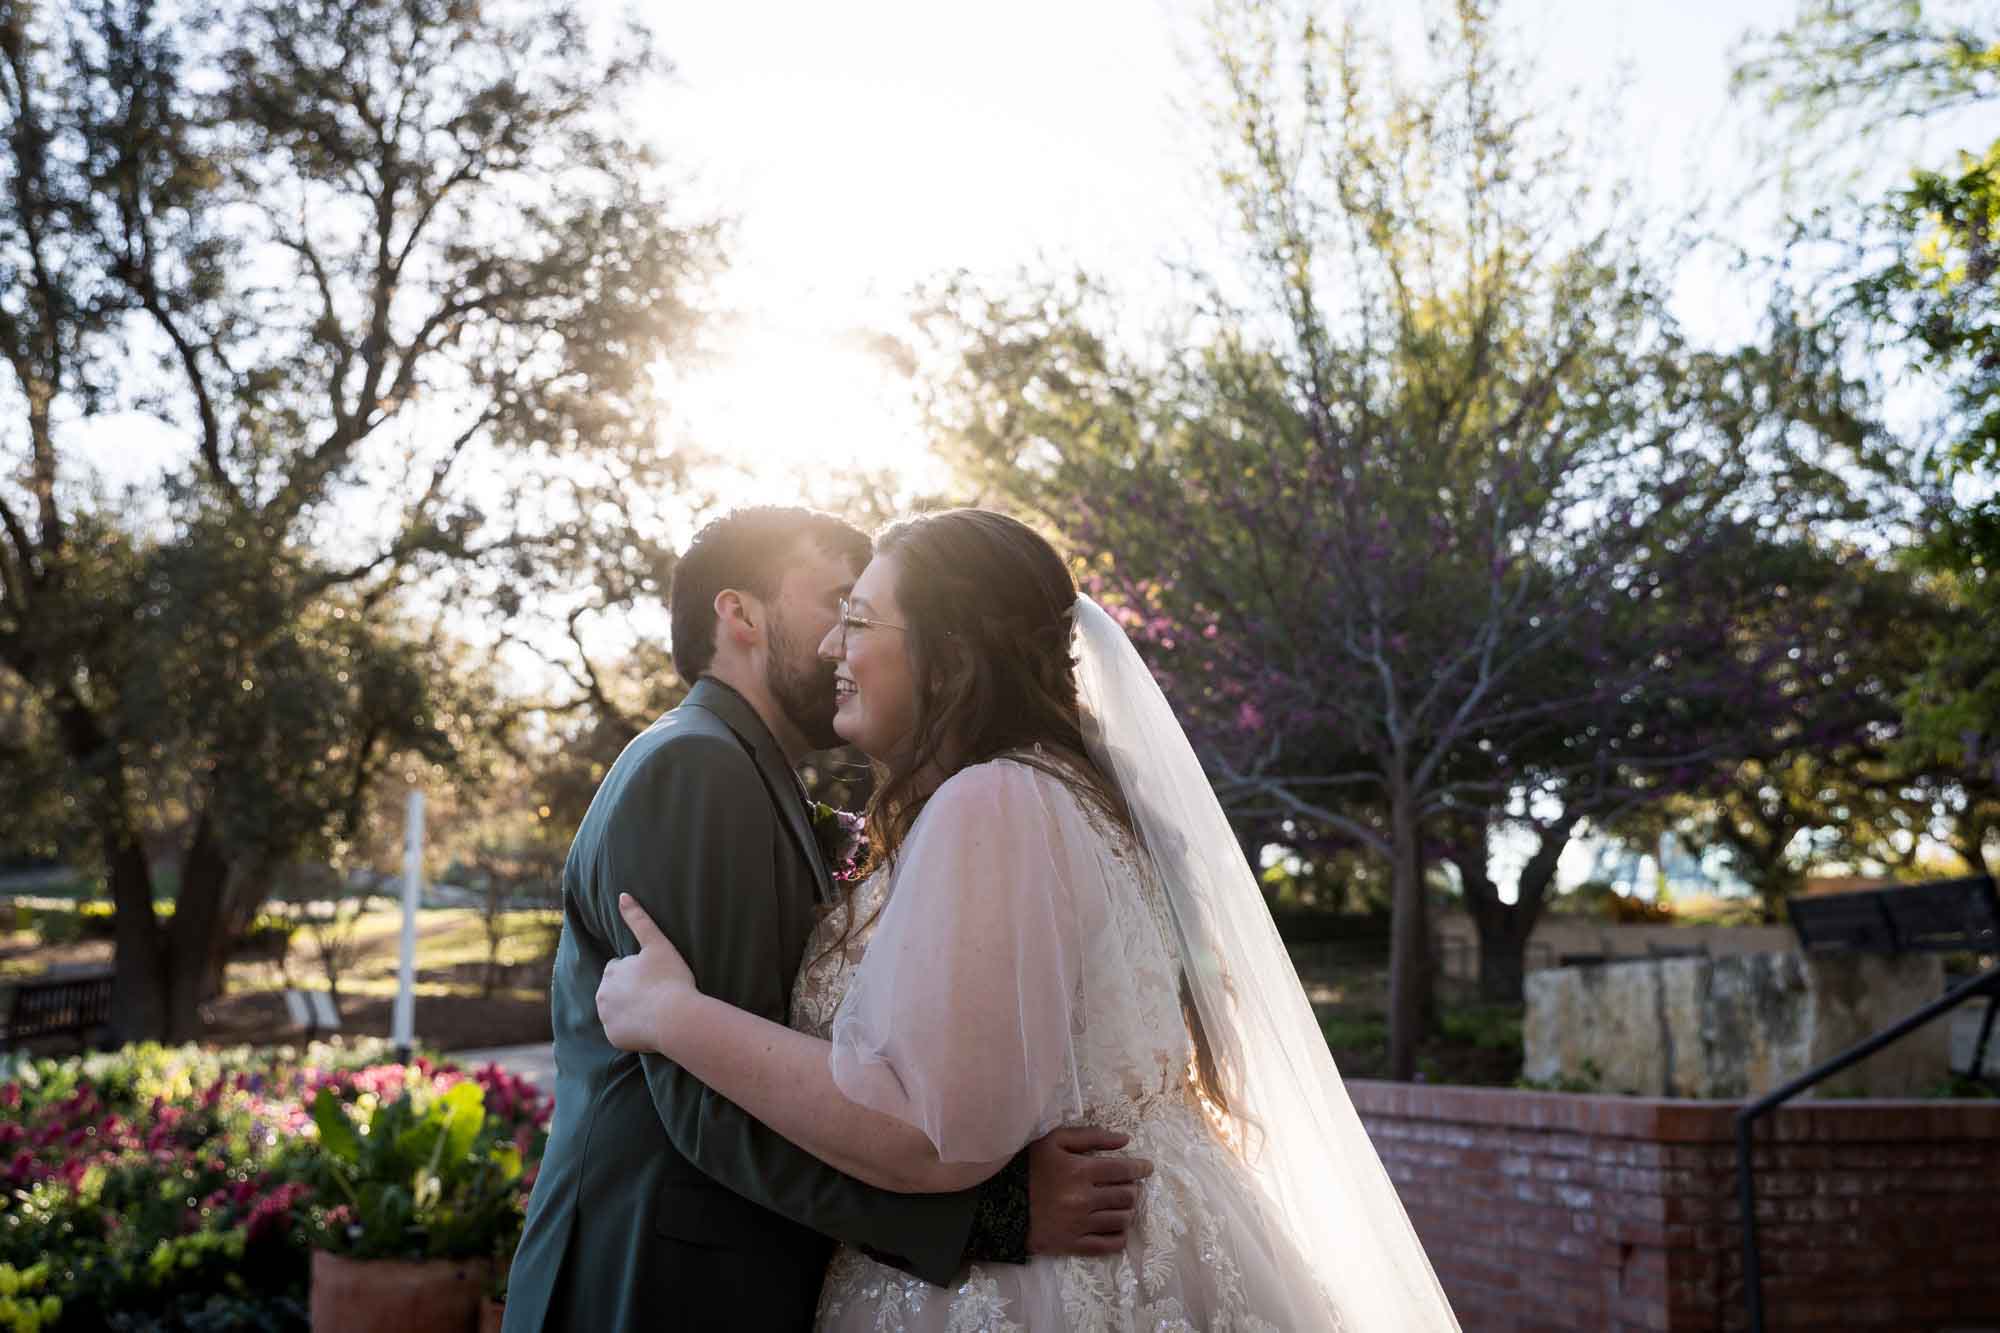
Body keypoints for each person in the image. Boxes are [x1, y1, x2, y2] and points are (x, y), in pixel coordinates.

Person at [595, 508, 1463, 1330]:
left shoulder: (995, 800)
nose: (833, 647)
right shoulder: (1070, 791)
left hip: (1039, 1287)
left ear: (951, 656)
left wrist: (674, 1015)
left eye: (859, 621)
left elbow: (934, 1135)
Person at [503, 507, 1153, 1332]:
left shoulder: (756, 774)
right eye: (836, 603)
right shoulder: (696, 768)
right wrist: (996, 1214)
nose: (833, 646)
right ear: (739, 614)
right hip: (655, 1280)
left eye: (860, 615)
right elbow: (710, 1100)